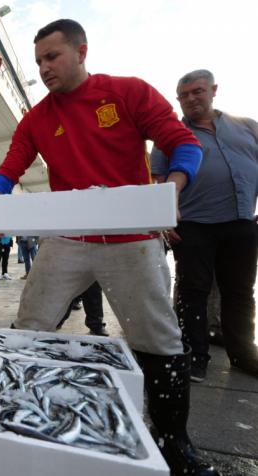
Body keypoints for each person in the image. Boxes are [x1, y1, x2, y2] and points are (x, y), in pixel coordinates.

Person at [0, 20, 217, 475]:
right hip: (67, 239)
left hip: (131, 240)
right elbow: (10, 167)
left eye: (51, 57)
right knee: (29, 323)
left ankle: (175, 443)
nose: (44, 68)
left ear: (81, 51)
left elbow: (183, 142)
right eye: (38, 61)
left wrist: (173, 185)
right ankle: (11, 415)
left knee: (159, 338)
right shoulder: (37, 118)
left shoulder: (127, 93)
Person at [151, 69, 258, 382]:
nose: (191, 99)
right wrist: (163, 218)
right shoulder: (169, 134)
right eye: (184, 95)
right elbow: (157, 178)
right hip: (194, 224)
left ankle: (243, 353)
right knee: (192, 290)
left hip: (241, 221)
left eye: (197, 91)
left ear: (213, 90)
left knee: (240, 291)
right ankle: (194, 355)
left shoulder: (247, 128)